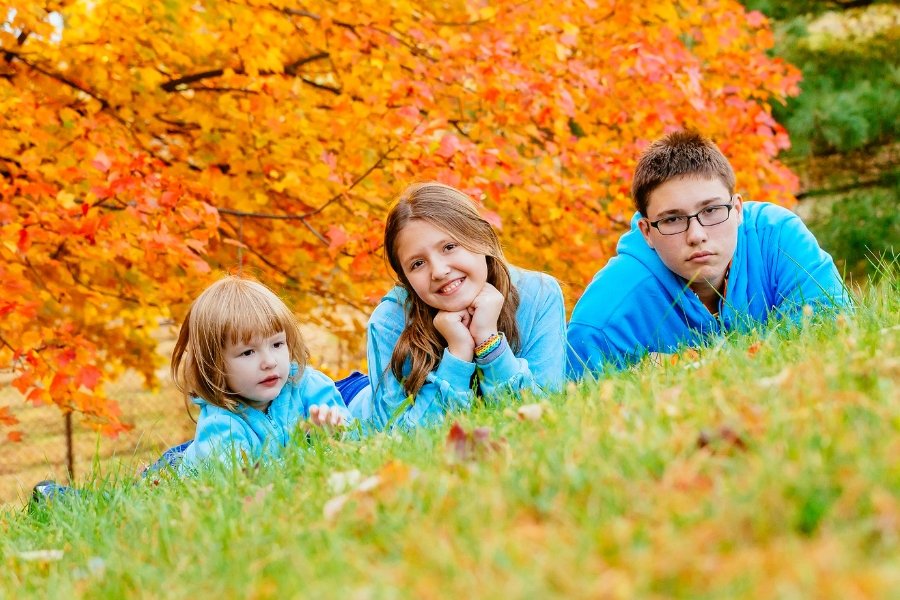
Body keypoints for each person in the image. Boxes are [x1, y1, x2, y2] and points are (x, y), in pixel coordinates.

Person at [567, 130, 850, 377]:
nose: (696, 235)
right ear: (647, 231)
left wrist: (680, 363)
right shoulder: (606, 314)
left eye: (712, 210)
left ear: (737, 209)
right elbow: (574, 406)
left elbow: (831, 334)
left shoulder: (777, 237)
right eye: (672, 219)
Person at [346, 182, 566, 431]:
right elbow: (396, 438)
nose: (439, 271)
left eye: (449, 247)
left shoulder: (539, 294)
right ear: (406, 280)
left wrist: (488, 340)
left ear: (481, 240)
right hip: (348, 402)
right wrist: (458, 354)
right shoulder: (389, 321)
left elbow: (543, 417)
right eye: (417, 263)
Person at [171, 275, 351, 471]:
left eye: (277, 344)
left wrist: (335, 431)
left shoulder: (307, 385)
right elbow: (243, 480)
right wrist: (308, 450)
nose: (269, 362)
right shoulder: (220, 425)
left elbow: (354, 436)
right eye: (248, 352)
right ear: (214, 365)